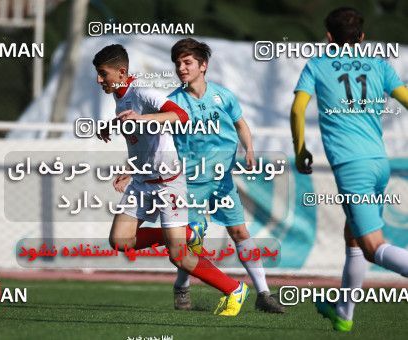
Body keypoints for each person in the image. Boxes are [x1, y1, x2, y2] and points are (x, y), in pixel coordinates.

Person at [93, 44, 249, 316]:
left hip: (167, 183)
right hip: (143, 182)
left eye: (102, 74)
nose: (99, 80)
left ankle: (234, 288)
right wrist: (112, 127)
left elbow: (181, 116)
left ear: (121, 72)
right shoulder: (120, 94)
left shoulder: (143, 91)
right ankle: (188, 233)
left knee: (179, 256)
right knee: (120, 241)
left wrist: (141, 119)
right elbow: (140, 133)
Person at [290, 7, 408, 332]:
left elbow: (298, 110)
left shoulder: (316, 65)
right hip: (378, 163)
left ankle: (343, 311)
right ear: (362, 37)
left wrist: (301, 151)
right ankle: (343, 312)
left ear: (329, 37)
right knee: (353, 236)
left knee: (373, 247)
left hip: (351, 166)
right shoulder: (380, 66)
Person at [168, 38, 284, 314]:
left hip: (222, 181)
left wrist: (250, 149)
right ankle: (182, 286)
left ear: (203, 65)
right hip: (190, 184)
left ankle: (263, 293)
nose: (181, 68)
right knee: (192, 241)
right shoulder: (172, 102)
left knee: (240, 231)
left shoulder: (223, 96)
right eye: (177, 63)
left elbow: (241, 124)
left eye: (187, 62)